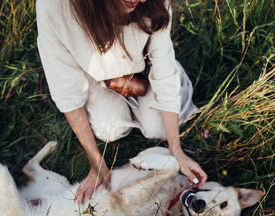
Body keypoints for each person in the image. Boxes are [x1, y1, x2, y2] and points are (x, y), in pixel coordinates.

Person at [36, 0, 207, 204]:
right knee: (108, 131)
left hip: (145, 69)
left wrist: (176, 150)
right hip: (98, 77)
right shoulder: (54, 8)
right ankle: (116, 88)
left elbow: (163, 74)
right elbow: (67, 93)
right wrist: (96, 163)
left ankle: (154, 84)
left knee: (159, 128)